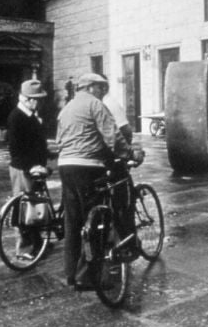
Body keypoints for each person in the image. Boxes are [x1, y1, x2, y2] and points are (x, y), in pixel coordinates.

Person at [56, 72, 144, 290]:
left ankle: (70, 273)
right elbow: (113, 137)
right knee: (94, 222)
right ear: (91, 88)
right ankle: (88, 277)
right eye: (101, 88)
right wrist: (131, 154)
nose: (104, 93)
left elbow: (60, 139)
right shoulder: (95, 105)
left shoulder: (67, 109)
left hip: (65, 166)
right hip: (88, 168)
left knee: (72, 221)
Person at [7, 79, 50, 259]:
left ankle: (38, 242)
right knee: (25, 210)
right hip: (24, 169)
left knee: (35, 207)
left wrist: (49, 154)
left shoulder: (31, 115)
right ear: (27, 99)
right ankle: (27, 247)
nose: (39, 103)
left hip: (35, 169)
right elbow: (15, 150)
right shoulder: (17, 117)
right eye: (37, 99)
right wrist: (31, 166)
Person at [100, 75, 133, 144]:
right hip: (124, 131)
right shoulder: (109, 100)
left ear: (104, 88)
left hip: (120, 133)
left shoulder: (105, 102)